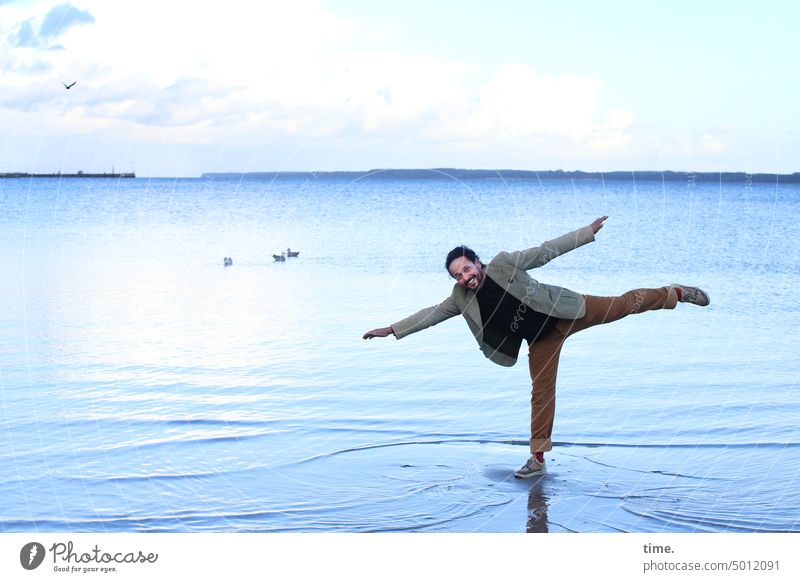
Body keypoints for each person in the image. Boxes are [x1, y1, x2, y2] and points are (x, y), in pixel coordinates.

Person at [362, 216, 710, 478]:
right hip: (541, 341)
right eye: (458, 276)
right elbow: (432, 314)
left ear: (477, 262)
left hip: (568, 311)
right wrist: (392, 329)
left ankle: (674, 293)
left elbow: (544, 252)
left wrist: (585, 234)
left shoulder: (503, 263)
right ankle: (537, 460)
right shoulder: (460, 299)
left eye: (467, 269)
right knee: (541, 394)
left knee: (623, 305)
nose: (465, 277)